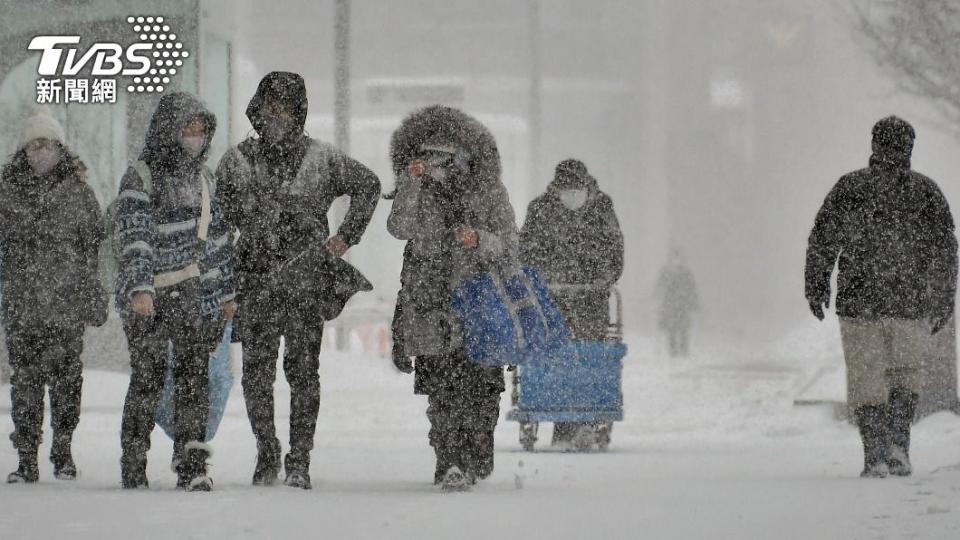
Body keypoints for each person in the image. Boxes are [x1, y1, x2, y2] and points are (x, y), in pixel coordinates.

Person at [216, 72, 380, 490]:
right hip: (254, 284)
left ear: (299, 111)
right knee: (256, 374)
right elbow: (218, 226)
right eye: (271, 105)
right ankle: (267, 451)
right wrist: (227, 286)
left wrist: (346, 236)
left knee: (303, 372)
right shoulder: (235, 162)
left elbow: (369, 186)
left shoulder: (322, 159)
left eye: (286, 107)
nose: (277, 114)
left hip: (306, 284)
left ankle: (300, 459)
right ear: (258, 107)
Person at [805, 116, 958, 478]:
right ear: (909, 147)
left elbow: (823, 238)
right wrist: (943, 297)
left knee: (866, 378)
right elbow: (945, 250)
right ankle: (897, 447)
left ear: (874, 144)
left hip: (861, 302)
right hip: (909, 301)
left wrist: (816, 283)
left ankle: (874, 453)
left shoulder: (851, 187)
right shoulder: (926, 192)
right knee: (906, 376)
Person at [388, 105, 519, 491]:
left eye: (446, 153)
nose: (438, 162)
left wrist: (481, 240)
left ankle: (478, 441)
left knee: (481, 386)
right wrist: (411, 183)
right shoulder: (417, 190)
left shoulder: (489, 191)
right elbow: (399, 227)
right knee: (442, 388)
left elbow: (512, 246)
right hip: (432, 302)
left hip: (480, 302)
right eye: (429, 153)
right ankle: (448, 458)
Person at [115, 92, 237, 491]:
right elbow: (134, 237)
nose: (195, 138)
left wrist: (226, 294)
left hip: (192, 296)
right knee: (147, 378)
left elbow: (218, 241)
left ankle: (192, 464)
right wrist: (140, 288)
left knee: (193, 380)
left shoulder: (205, 179)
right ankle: (133, 461)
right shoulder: (142, 175)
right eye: (188, 130)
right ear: (169, 131)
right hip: (148, 297)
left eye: (201, 131)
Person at [0, 106, 107, 483]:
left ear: (60, 148)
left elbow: (94, 247)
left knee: (66, 385)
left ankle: (63, 450)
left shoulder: (79, 193)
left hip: (65, 308)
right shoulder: (6, 192)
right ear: (23, 151)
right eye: (33, 146)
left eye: (46, 144)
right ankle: (26, 457)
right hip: (23, 307)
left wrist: (92, 295)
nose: (39, 152)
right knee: (25, 386)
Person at [518, 158, 624, 450]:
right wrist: (543, 278)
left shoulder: (602, 208)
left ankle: (586, 422)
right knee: (557, 358)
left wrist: (601, 277)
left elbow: (615, 250)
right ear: (556, 188)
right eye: (566, 188)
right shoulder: (539, 210)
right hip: (552, 301)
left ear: (586, 185)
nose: (571, 193)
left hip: (591, 299)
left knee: (588, 357)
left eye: (576, 188)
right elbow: (526, 250)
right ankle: (565, 427)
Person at [655, 248, 699, 358]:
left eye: (678, 257)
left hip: (681, 303)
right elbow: (660, 285)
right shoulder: (666, 271)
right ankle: (673, 350)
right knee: (672, 328)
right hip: (671, 303)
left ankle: (683, 349)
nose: (676, 260)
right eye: (674, 257)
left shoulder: (685, 272)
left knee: (682, 327)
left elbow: (692, 287)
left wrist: (693, 301)